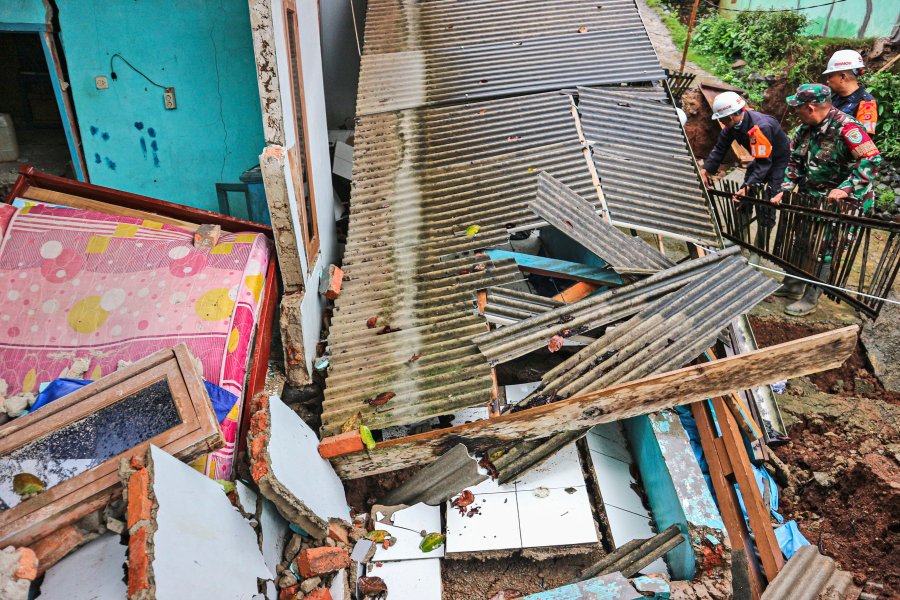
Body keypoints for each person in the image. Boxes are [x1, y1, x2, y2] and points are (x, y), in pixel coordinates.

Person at [770, 83, 882, 317]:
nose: (795, 112)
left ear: (810, 107)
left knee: (826, 248)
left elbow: (871, 160)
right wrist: (786, 189)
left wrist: (846, 188)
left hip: (844, 202)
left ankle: (811, 297)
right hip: (813, 197)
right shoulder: (804, 130)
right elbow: (794, 164)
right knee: (802, 240)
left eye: (797, 108)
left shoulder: (848, 127)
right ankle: (792, 286)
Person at [700, 91, 791, 251]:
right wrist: (706, 170)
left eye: (721, 119)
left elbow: (765, 164)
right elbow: (720, 148)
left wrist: (749, 186)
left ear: (731, 117)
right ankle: (738, 240)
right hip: (760, 158)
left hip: (777, 162)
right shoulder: (732, 125)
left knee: (766, 203)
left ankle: (759, 249)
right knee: (743, 199)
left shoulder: (761, 127)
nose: (720, 122)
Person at [822, 49, 878, 135]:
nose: (827, 81)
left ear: (843, 77)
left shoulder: (867, 104)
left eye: (830, 76)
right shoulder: (833, 98)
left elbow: (864, 139)